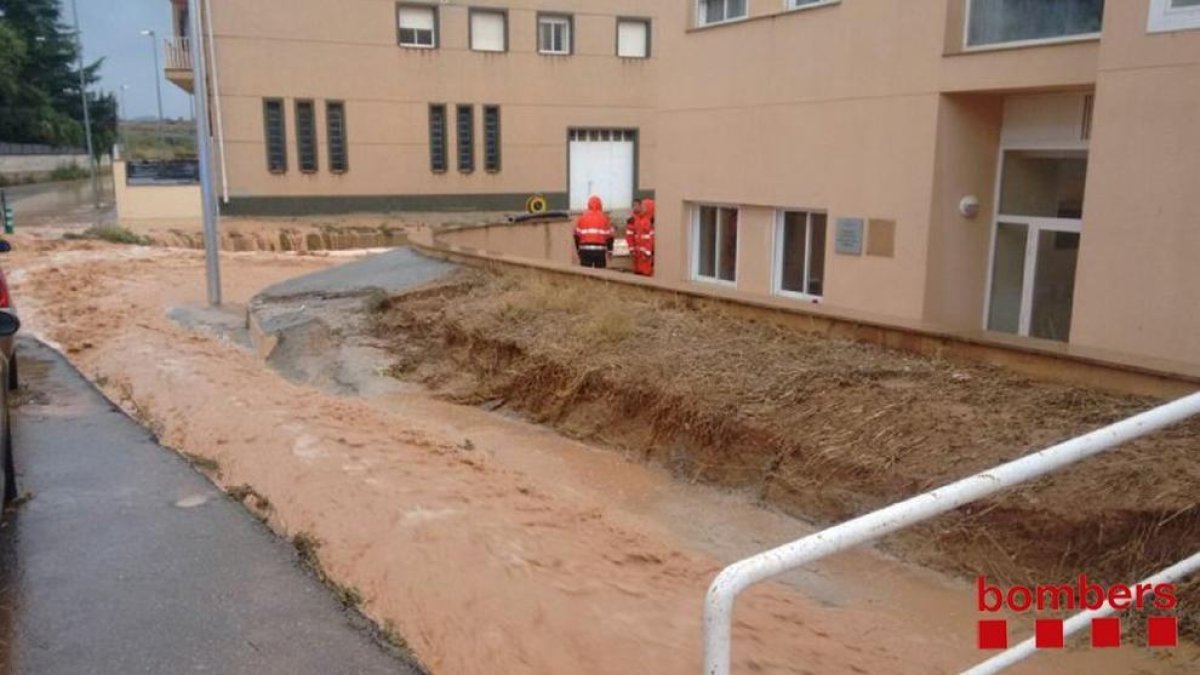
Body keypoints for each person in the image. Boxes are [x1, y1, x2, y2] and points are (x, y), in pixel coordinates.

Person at [574, 195, 614, 269]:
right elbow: (610, 237)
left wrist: (578, 249)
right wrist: (610, 251)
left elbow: (576, 235)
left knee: (586, 273)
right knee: (599, 274)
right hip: (600, 250)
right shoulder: (604, 218)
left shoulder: (582, 218)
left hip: (585, 249)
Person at [626, 198, 655, 277]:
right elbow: (630, 236)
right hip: (639, 255)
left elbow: (650, 239)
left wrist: (648, 253)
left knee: (645, 273)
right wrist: (632, 249)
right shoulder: (637, 220)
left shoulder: (646, 222)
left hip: (644, 256)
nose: (635, 208)